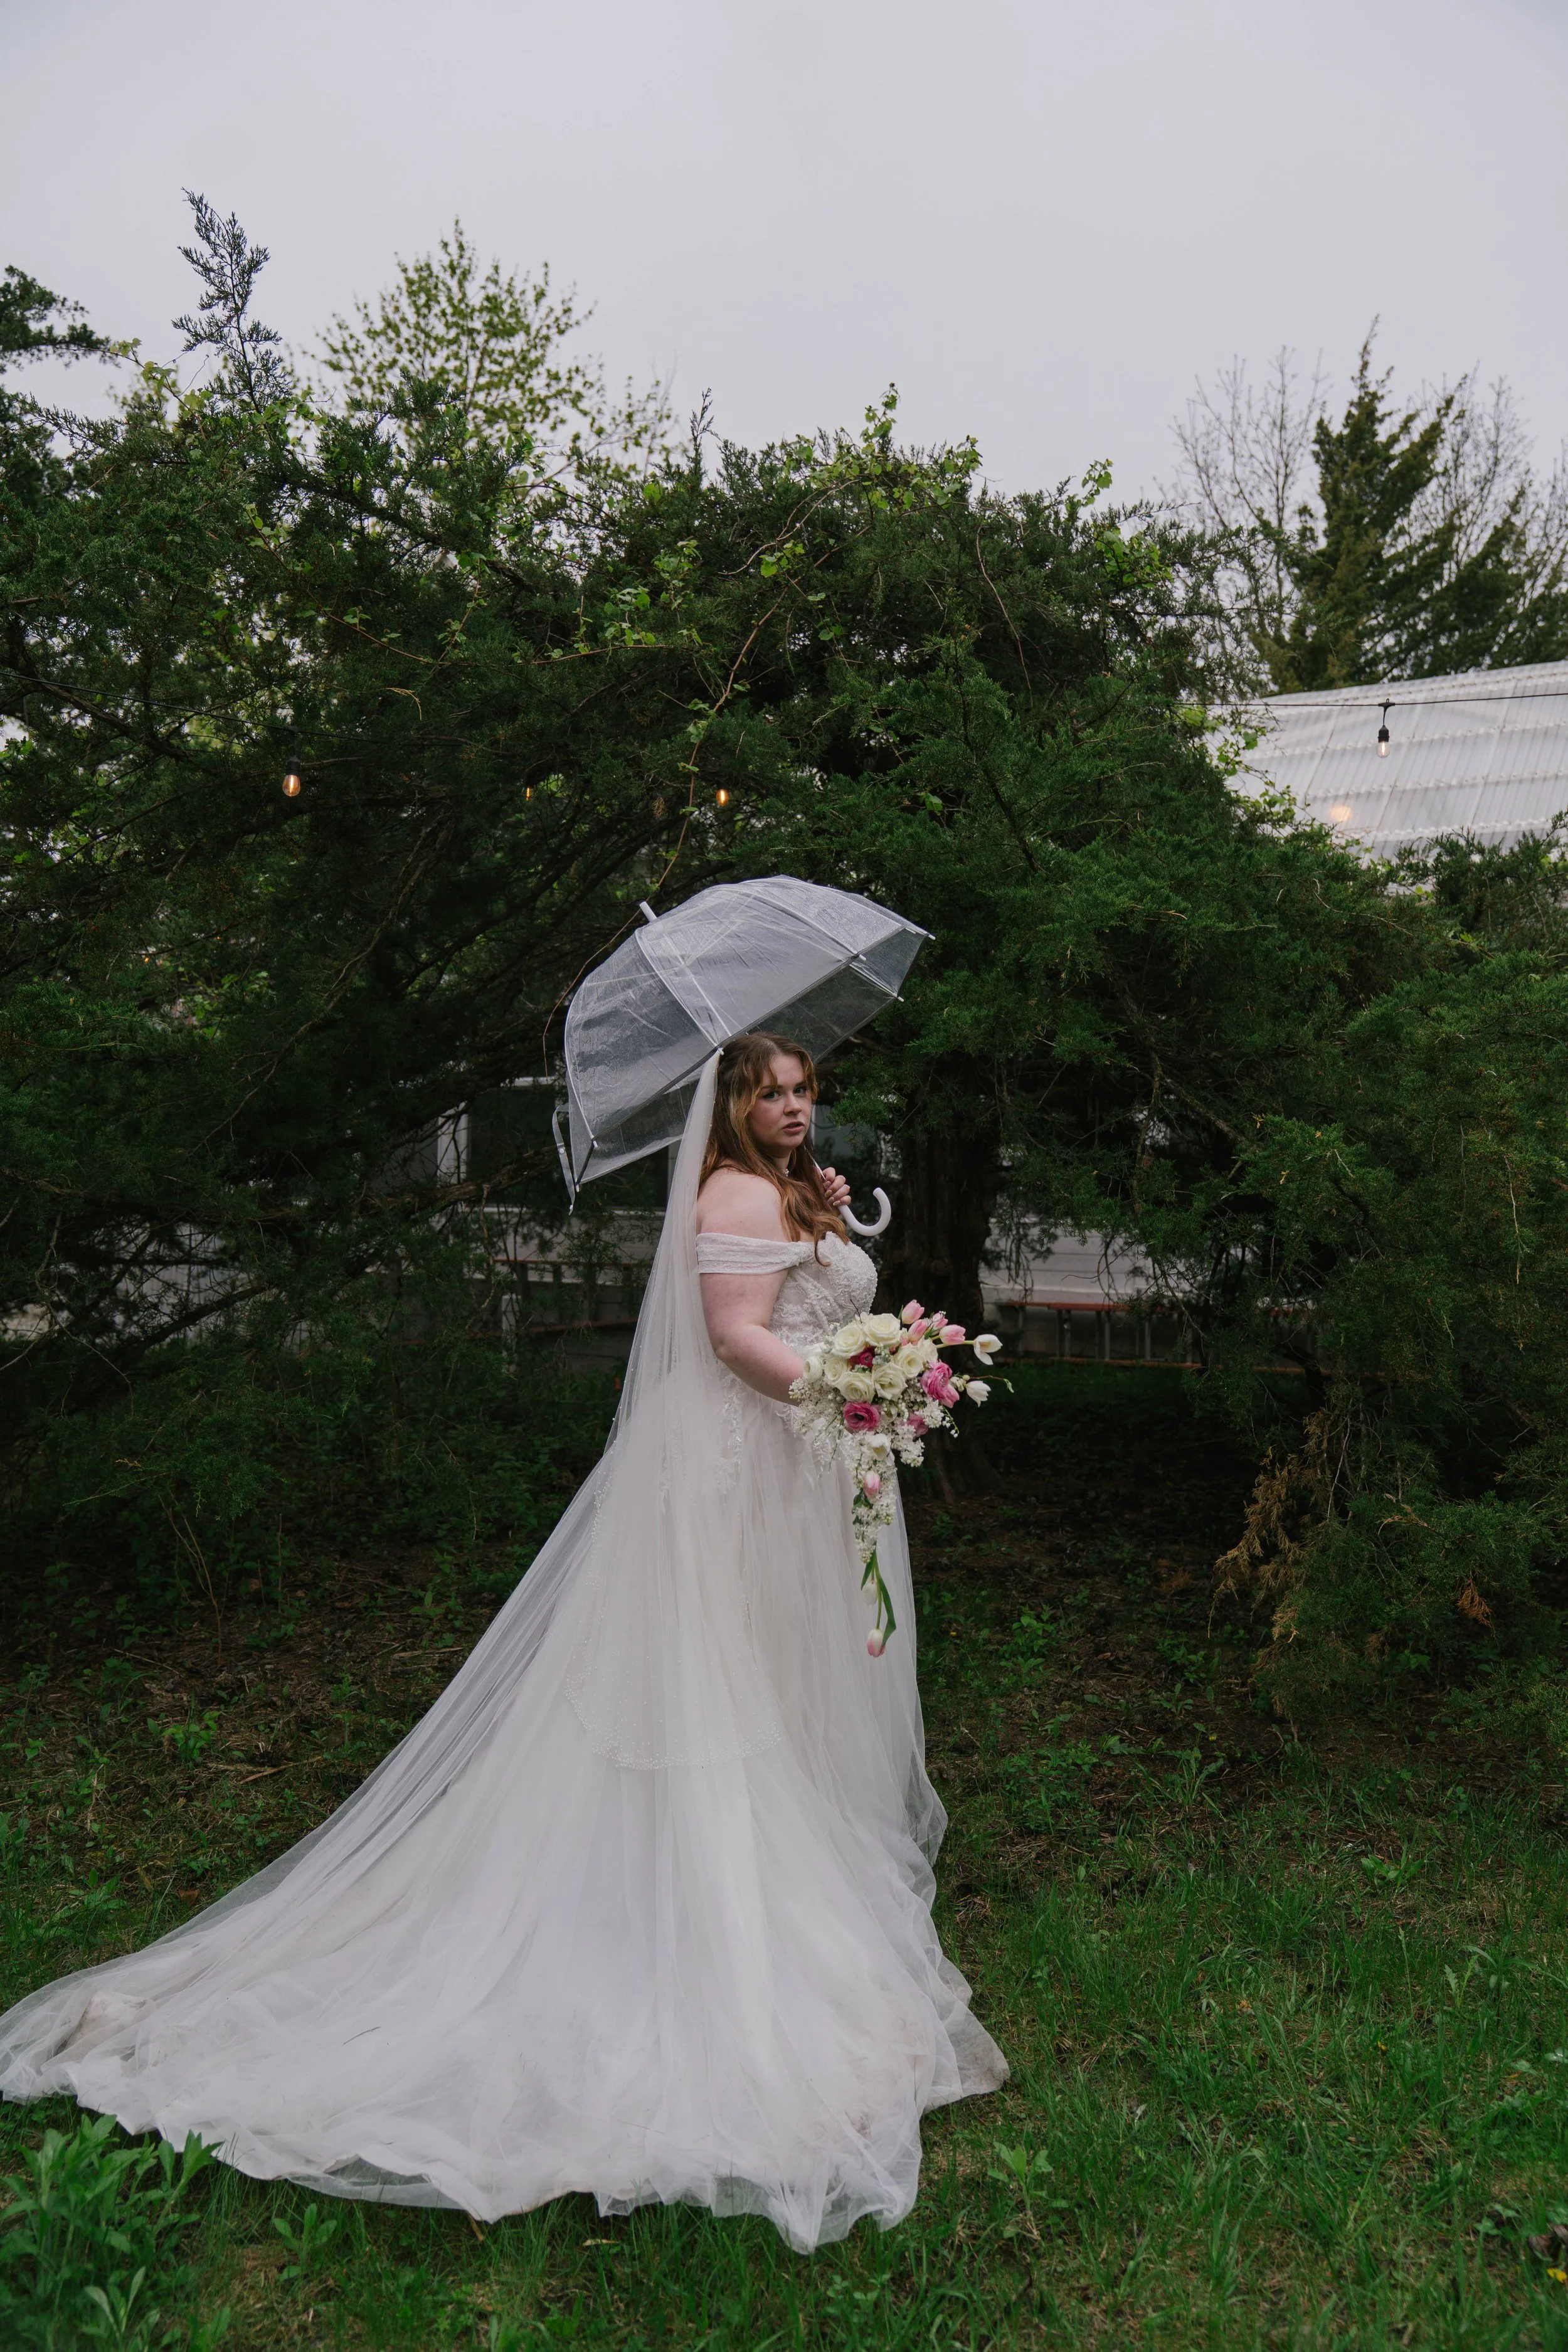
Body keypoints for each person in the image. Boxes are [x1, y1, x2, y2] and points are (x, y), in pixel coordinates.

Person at [0, 1032, 1006, 2253]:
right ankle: (691, 1920)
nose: (794, 1107)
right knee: (711, 1694)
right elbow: (741, 1337)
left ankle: (743, 1887)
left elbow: (807, 1294)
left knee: (766, 1690)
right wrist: (850, 1390)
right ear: (731, 1106)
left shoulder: (788, 1188)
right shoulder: (734, 1193)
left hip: (783, 1467)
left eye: (803, 1090)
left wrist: (836, 1231)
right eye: (770, 1092)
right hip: (739, 1467)